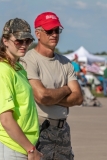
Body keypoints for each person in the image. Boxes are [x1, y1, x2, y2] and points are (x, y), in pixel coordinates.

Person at [22, 12, 83, 159]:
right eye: (49, 31)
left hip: (62, 132)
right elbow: (42, 96)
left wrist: (51, 97)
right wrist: (66, 89)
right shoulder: (29, 60)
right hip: (39, 129)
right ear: (37, 33)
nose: (54, 34)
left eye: (57, 30)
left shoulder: (65, 63)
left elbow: (79, 98)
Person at [0, 18, 42, 160]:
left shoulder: (18, 68)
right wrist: (31, 150)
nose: (24, 45)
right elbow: (6, 119)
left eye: (28, 41)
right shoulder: (2, 69)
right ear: (5, 41)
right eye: (18, 41)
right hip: (10, 148)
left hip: (21, 146)